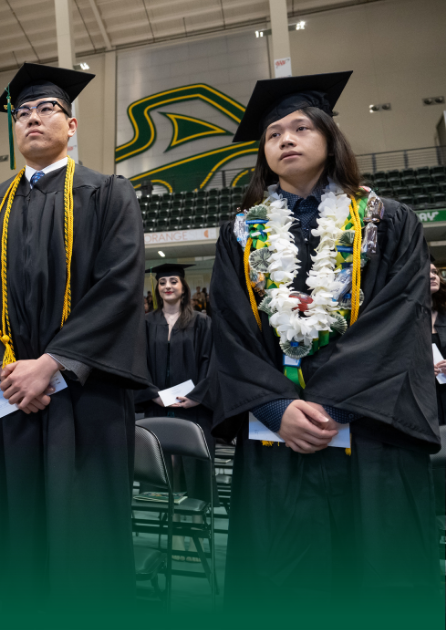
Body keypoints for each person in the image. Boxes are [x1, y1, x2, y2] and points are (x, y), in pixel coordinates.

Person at [208, 72, 441, 614]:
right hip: (276, 436)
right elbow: (230, 330)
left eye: (300, 128)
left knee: (373, 584)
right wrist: (276, 407)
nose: (285, 139)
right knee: (281, 590)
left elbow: (399, 321)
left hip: (370, 430)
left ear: (330, 138)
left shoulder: (388, 221)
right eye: (273, 134)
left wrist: (328, 407)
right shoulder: (241, 233)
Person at [0, 63, 150, 607]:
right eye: (22, 113)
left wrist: (53, 364)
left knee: (85, 537)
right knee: (15, 537)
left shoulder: (107, 193)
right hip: (9, 396)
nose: (33, 119)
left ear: (72, 124)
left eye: (46, 109)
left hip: (84, 396)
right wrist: (1, 371)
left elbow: (119, 285)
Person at [134, 264, 214, 559]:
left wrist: (197, 396)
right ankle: (175, 535)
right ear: (157, 288)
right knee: (166, 467)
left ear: (184, 287)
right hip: (158, 407)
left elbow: (211, 362)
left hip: (192, 408)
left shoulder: (202, 322)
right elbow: (137, 362)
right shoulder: (145, 323)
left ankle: (192, 528)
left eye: (173, 281)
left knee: (190, 465)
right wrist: (152, 394)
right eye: (163, 282)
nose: (168, 286)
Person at [430, 258, 446, 426]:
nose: (432, 276)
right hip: (424, 398)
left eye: (434, 272)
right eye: (426, 272)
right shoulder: (405, 320)